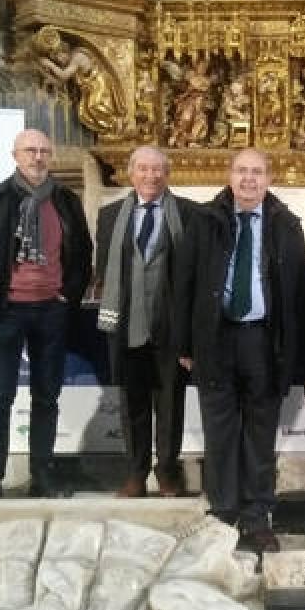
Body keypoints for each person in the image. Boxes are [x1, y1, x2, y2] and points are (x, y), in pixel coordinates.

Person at [173, 149, 305, 553]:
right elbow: (182, 284)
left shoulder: (287, 225)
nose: (249, 179)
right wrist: (184, 343)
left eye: (257, 172)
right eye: (242, 171)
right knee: (219, 434)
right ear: (229, 175)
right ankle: (223, 514)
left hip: (264, 342)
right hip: (215, 339)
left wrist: (299, 356)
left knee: (259, 435)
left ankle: (257, 518)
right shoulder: (203, 220)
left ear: (269, 178)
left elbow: (301, 291)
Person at [0, 129, 92, 498]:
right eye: (30, 150)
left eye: (44, 150)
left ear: (51, 155)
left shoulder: (66, 201)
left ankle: (42, 475)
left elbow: (82, 256)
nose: (37, 157)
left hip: (50, 312)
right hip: (5, 310)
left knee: (47, 397)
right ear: (15, 155)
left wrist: (67, 296)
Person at [95, 146, 199, 498]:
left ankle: (167, 471)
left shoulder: (188, 213)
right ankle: (135, 473)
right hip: (126, 327)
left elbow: (195, 271)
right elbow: (102, 269)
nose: (150, 176)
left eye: (157, 170)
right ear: (131, 173)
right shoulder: (109, 216)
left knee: (170, 405)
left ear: (167, 174)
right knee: (132, 404)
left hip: (171, 329)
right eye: (143, 169)